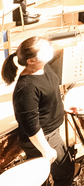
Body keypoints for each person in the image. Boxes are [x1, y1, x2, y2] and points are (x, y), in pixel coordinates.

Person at [2, 36, 74, 186]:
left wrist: (62, 106)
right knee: (63, 174)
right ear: (31, 61)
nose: (50, 51)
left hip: (51, 133)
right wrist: (46, 150)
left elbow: (50, 91)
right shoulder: (26, 89)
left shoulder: (43, 68)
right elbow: (31, 126)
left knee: (65, 170)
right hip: (42, 138)